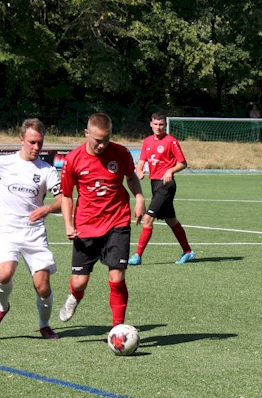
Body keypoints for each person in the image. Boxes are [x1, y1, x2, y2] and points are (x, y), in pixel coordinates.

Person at [0, 118, 63, 340]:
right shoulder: (3, 162)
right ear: (21, 140)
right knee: (5, 273)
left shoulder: (47, 171)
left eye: (40, 143)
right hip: (7, 226)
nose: (36, 148)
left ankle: (44, 325)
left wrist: (46, 209)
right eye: (32, 142)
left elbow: (62, 202)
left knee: (43, 287)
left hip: (34, 232)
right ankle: (2, 307)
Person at [59, 112, 146, 328]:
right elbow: (67, 195)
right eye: (98, 140)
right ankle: (75, 297)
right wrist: (68, 224)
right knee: (79, 283)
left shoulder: (121, 153)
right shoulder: (73, 160)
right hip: (86, 226)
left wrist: (139, 197)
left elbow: (131, 177)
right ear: (87, 133)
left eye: (106, 139)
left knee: (117, 278)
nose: (102, 145)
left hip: (118, 220)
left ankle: (118, 328)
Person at [129, 111, 195, 266]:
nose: (158, 127)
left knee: (148, 218)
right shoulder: (147, 141)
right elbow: (141, 161)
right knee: (171, 220)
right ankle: (188, 252)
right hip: (155, 184)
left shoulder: (171, 141)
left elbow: (183, 163)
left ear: (165, 125)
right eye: (156, 124)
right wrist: (139, 170)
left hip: (166, 185)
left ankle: (137, 256)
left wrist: (170, 170)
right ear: (151, 124)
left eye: (161, 125)